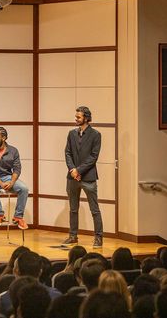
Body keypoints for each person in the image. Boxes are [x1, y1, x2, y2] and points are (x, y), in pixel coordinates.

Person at [63, 106, 103, 248]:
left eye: (78, 117)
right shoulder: (71, 133)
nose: (76, 119)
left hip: (88, 177)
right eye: (76, 116)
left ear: (86, 118)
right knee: (73, 209)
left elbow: (93, 157)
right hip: (72, 177)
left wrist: (78, 170)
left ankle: (98, 238)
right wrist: (72, 169)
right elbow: (67, 153)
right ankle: (73, 236)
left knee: (94, 209)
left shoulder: (95, 135)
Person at [0, 126, 29, 230]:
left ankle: (18, 217)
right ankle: (0, 215)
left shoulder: (13, 151)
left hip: (7, 177)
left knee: (24, 188)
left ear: (4, 138)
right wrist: (0, 183)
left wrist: (12, 182)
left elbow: (17, 169)